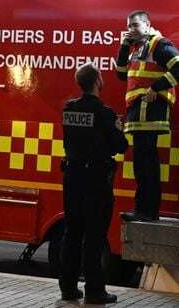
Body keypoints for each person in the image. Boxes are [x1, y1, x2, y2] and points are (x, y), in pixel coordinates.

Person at [59, 63, 128, 305]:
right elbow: (120, 146)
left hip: (72, 177)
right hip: (96, 180)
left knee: (72, 233)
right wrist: (117, 129)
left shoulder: (69, 109)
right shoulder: (105, 113)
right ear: (97, 81)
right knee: (95, 236)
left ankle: (67, 288)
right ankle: (94, 290)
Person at [116, 11, 179, 222]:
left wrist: (155, 88)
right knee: (142, 162)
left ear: (147, 25)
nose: (131, 29)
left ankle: (147, 211)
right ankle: (143, 210)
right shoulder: (137, 48)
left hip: (150, 112)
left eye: (136, 25)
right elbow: (121, 74)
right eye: (129, 26)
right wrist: (123, 46)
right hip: (138, 113)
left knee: (146, 163)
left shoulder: (159, 44)